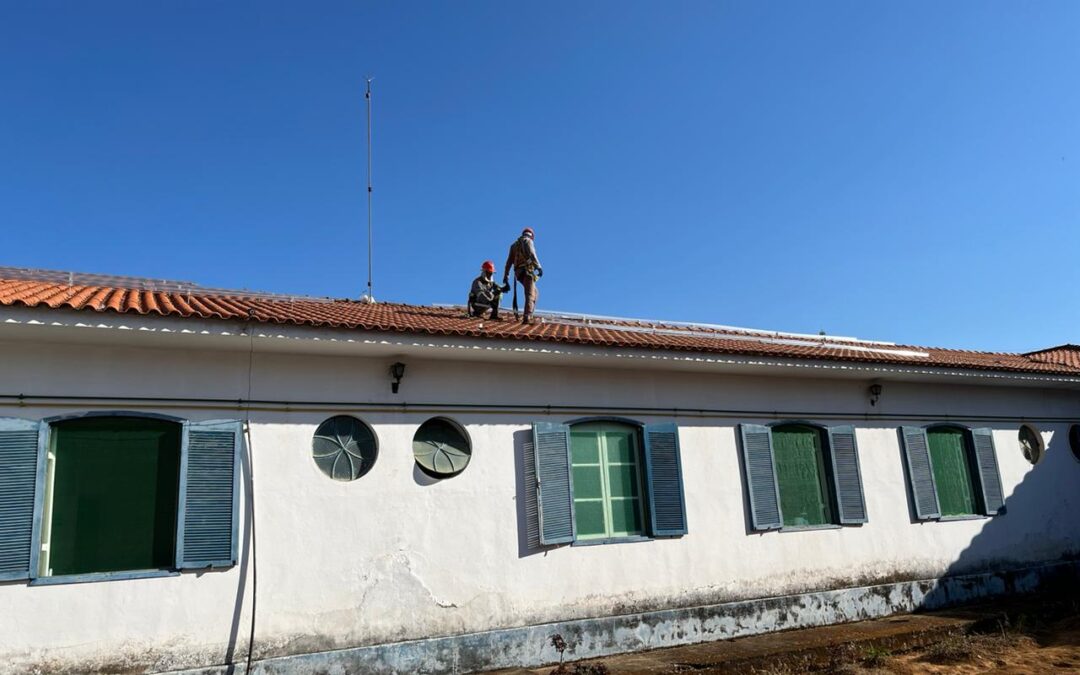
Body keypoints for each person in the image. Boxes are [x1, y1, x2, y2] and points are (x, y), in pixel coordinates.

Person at [502, 227, 543, 324]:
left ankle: (529, 314)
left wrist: (506, 277)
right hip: (527, 271)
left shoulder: (514, 245)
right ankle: (527, 317)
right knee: (530, 294)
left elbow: (508, 263)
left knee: (535, 292)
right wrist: (539, 267)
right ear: (531, 236)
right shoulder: (528, 241)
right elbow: (532, 254)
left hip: (518, 273)